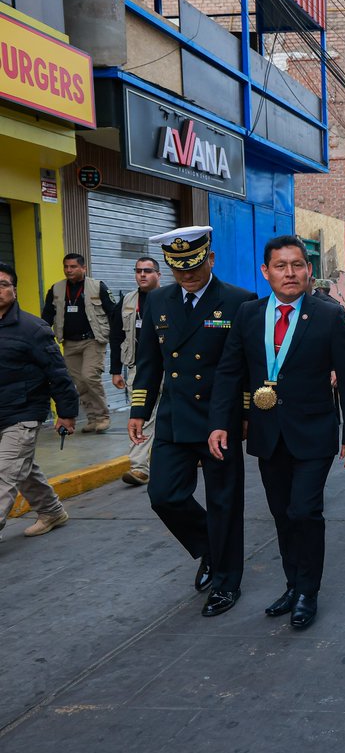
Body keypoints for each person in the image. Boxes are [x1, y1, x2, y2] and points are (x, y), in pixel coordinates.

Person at [208, 235, 345, 630]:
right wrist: (218, 424)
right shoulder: (248, 314)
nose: (290, 273)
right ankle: (293, 585)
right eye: (281, 266)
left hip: (314, 431)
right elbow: (229, 372)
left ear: (309, 271)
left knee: (304, 510)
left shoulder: (328, 315)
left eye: (297, 265)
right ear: (266, 271)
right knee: (281, 513)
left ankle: (308, 593)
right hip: (267, 432)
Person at [128, 226, 256, 617]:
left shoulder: (238, 300)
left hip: (221, 416)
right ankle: (208, 548)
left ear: (211, 260)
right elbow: (150, 362)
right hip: (175, 416)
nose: (188, 275)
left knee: (224, 503)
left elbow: (249, 366)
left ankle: (226, 581)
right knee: (164, 495)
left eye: (195, 266)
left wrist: (247, 413)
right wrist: (139, 411)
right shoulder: (159, 301)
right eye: (179, 269)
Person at [0, 262, 78, 539]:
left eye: (3, 284)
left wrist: (67, 412)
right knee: (22, 468)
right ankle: (52, 511)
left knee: (4, 474)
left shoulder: (33, 329)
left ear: (14, 290)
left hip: (23, 412)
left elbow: (57, 373)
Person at [40, 253, 123, 433]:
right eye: (66, 267)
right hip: (69, 343)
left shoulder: (97, 286)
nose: (69, 270)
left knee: (89, 376)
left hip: (93, 341)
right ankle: (92, 419)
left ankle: (102, 417)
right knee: (79, 382)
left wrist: (117, 336)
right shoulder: (56, 289)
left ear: (83, 268)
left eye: (73, 267)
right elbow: (47, 316)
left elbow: (113, 313)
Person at [114, 257, 162, 486]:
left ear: (158, 275)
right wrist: (116, 370)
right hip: (138, 368)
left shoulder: (170, 298)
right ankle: (139, 467)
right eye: (138, 271)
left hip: (170, 368)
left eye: (148, 271)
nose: (142, 275)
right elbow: (117, 336)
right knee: (142, 415)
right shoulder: (127, 301)